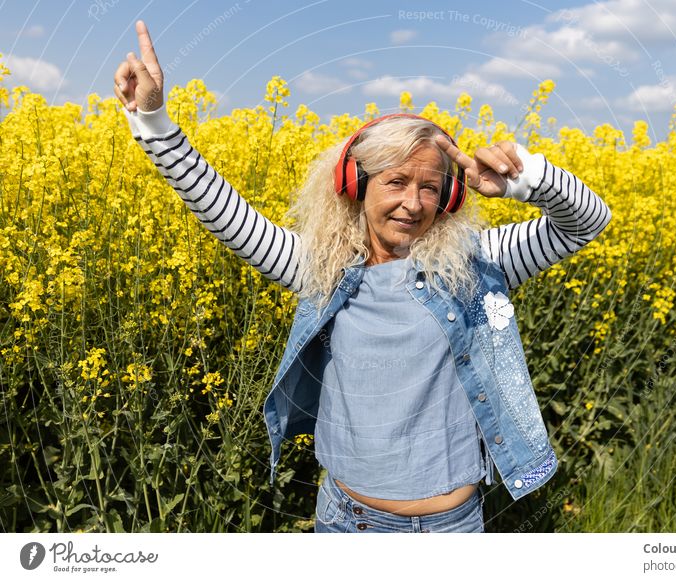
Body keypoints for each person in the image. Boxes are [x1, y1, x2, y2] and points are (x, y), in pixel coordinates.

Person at [115, 20, 612, 533]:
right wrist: (154, 123)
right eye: (396, 182)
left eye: (429, 187)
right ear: (355, 184)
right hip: (349, 523)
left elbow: (587, 223)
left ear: (449, 196)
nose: (414, 204)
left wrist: (523, 180)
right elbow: (227, 215)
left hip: (453, 527)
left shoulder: (478, 262)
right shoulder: (323, 269)